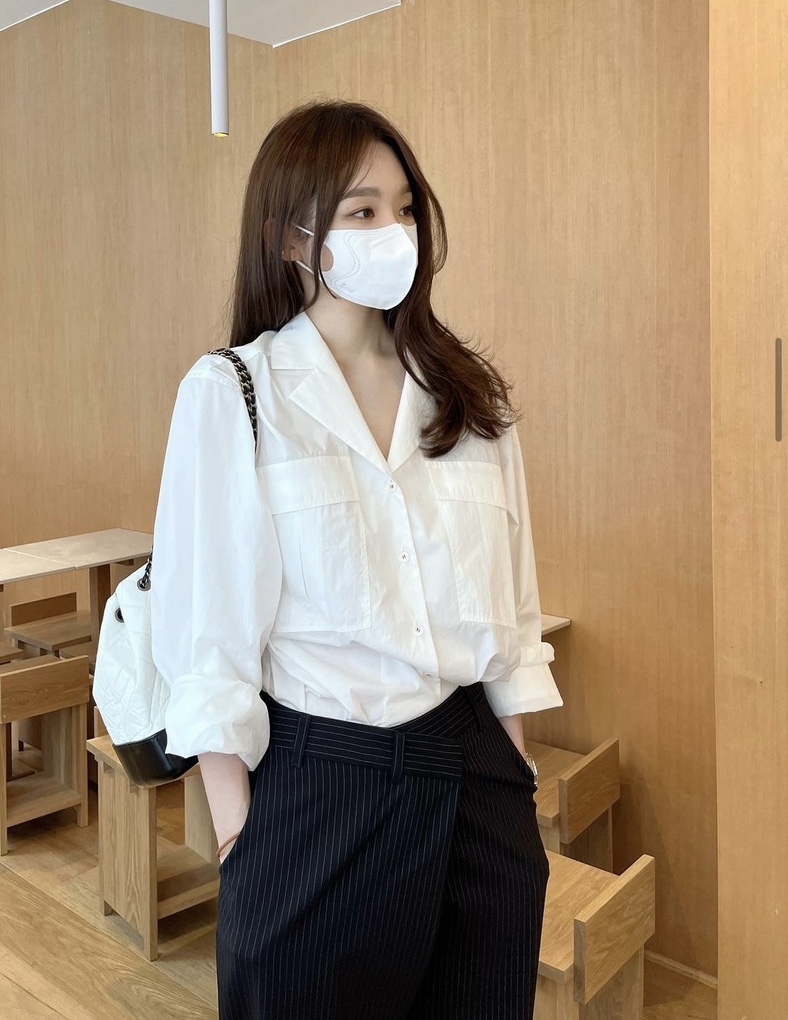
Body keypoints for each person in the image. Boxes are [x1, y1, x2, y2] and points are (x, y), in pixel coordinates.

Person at [151, 100, 563, 1020]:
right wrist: (240, 838)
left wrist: (515, 787)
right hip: (321, 778)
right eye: (362, 211)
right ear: (289, 237)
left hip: (474, 778)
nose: (395, 232)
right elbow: (208, 639)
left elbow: (513, 610)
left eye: (406, 208)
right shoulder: (236, 392)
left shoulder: (468, 395)